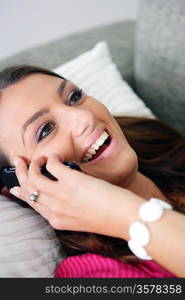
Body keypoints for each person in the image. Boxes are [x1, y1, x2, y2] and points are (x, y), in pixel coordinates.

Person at [0, 65, 184, 278]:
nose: (85, 117)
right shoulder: (93, 274)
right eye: (45, 130)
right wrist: (123, 215)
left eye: (74, 96)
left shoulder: (170, 153)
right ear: (18, 184)